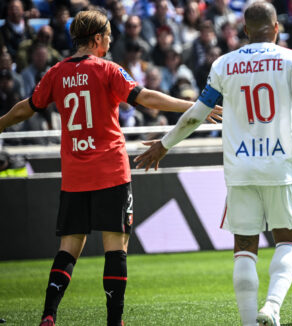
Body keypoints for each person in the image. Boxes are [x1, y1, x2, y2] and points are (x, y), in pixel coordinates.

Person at [133, 2, 292, 325]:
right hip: (280, 165)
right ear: (277, 27)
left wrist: (164, 145)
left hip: (240, 169)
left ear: (245, 31)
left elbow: (197, 113)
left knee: (244, 248)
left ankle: (250, 322)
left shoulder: (224, 64)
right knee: (288, 241)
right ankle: (273, 306)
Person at [0, 9, 220, 326]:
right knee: (115, 247)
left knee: (68, 248)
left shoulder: (56, 73)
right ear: (98, 38)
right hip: (110, 171)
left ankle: (49, 314)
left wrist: (1, 123)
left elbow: (26, 108)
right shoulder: (107, 69)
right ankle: (114, 322)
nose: (109, 42)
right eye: (108, 37)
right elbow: (147, 99)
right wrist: (195, 106)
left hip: (75, 175)